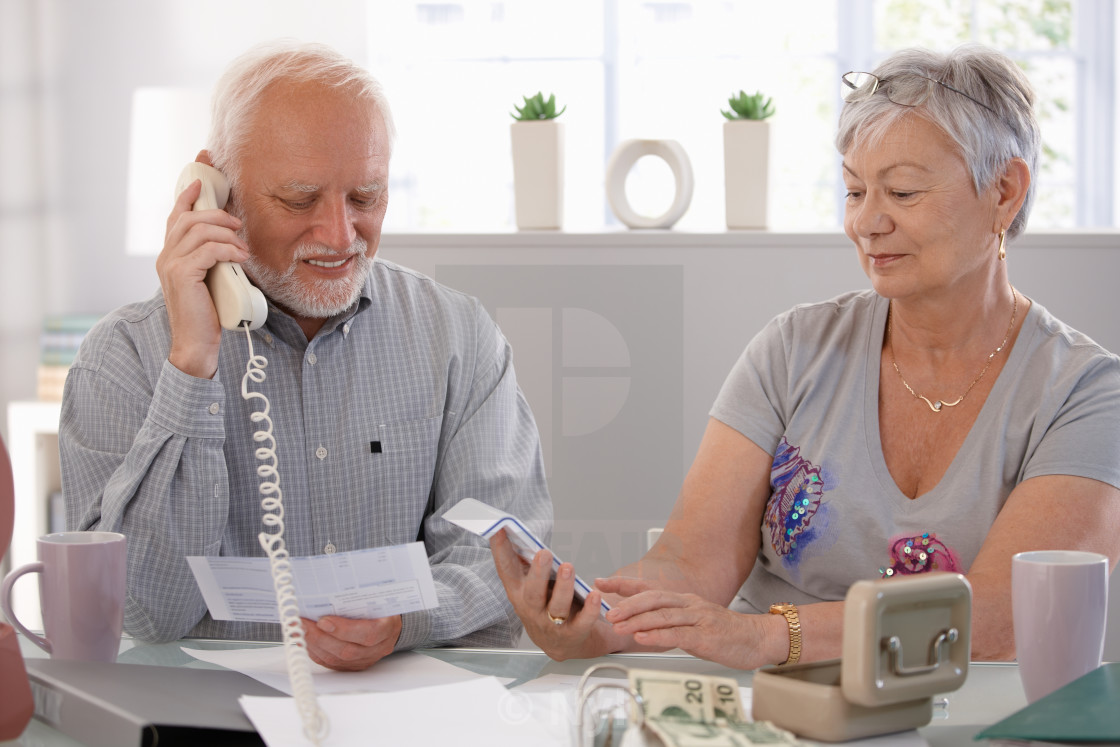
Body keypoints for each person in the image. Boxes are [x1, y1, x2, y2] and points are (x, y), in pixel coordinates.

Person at [492, 44, 1120, 669]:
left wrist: (767, 636)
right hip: (766, 714)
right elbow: (690, 565)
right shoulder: (793, 350)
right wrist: (595, 623)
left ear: (1005, 191)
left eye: (901, 192)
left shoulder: (1087, 395)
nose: (866, 223)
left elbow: (1002, 618)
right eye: (854, 191)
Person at [60, 40, 551, 671]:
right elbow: (144, 611)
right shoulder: (121, 358)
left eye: (365, 198)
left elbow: (505, 566)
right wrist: (192, 364)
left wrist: (403, 622)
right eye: (299, 200)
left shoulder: (458, 335)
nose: (341, 236)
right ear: (217, 192)